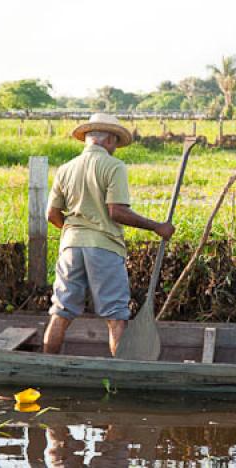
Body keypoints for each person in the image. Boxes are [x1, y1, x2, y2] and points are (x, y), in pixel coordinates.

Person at [43, 113, 175, 356]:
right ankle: (120, 374)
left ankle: (46, 367)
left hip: (70, 247)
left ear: (88, 140)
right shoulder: (114, 166)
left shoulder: (65, 168)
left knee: (60, 311)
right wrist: (157, 226)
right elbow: (117, 212)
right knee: (116, 316)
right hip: (104, 247)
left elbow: (52, 214)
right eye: (116, 143)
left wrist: (75, 231)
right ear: (110, 140)